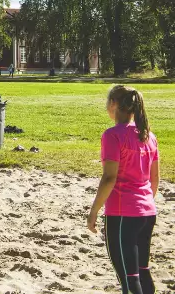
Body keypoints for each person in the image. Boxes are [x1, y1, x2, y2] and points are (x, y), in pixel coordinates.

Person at [87, 85, 159, 294]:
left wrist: (94, 211)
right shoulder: (149, 136)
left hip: (122, 215)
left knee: (129, 278)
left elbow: (109, 177)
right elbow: (154, 179)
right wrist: (144, 203)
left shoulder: (112, 135)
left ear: (113, 104)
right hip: (147, 213)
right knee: (142, 272)